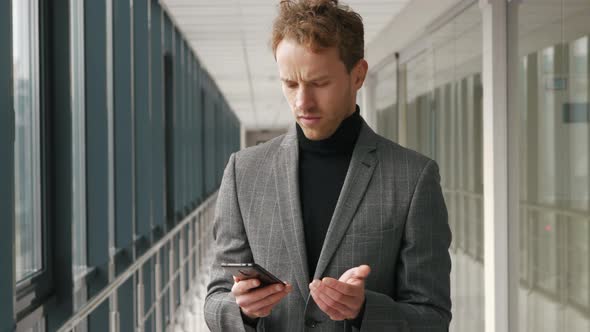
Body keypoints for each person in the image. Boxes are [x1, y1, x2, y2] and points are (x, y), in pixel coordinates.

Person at [204, 0, 452, 330]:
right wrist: (243, 310)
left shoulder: (413, 177)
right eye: (290, 84)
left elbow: (433, 317)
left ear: (358, 75)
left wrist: (364, 310)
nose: (302, 102)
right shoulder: (243, 171)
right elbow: (215, 299)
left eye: (319, 83)